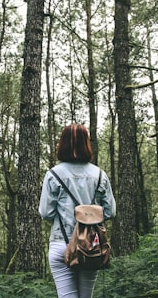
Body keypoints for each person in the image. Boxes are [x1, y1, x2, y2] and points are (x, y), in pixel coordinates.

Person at [39, 123, 116, 298]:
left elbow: (46, 213)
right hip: (91, 246)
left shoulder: (53, 175)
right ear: (86, 144)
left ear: (63, 144)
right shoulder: (99, 175)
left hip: (61, 244)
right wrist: (89, 215)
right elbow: (110, 211)